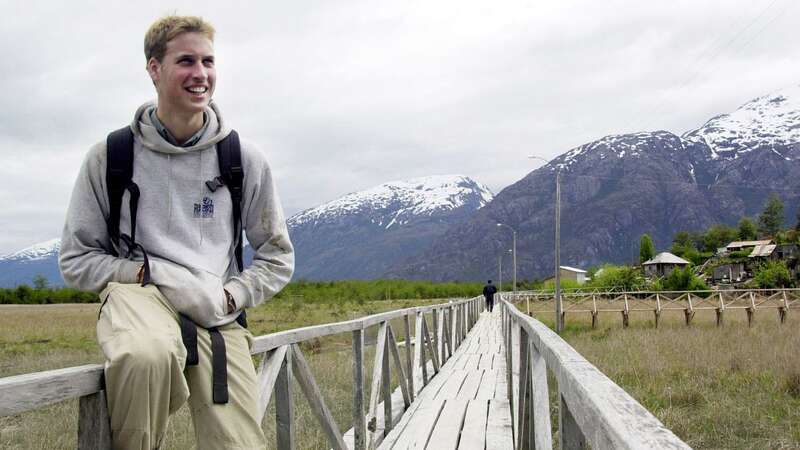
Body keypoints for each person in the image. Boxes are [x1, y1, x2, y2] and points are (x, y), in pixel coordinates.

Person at [59, 15, 294, 450]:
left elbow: (277, 256)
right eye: (186, 61)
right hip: (138, 296)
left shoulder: (241, 158)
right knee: (144, 356)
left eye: (208, 61)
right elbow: (76, 258)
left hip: (215, 307)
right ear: (154, 68)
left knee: (237, 443)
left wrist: (233, 296)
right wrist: (142, 276)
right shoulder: (111, 156)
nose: (200, 74)